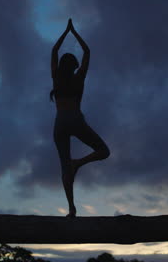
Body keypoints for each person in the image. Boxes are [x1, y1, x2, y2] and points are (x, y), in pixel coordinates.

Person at [50, 19, 110, 217]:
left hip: (59, 124)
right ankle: (78, 163)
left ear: (61, 65)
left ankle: (71, 208)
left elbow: (53, 51)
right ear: (74, 65)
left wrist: (65, 32)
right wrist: (74, 32)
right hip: (75, 120)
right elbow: (87, 52)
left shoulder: (56, 78)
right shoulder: (79, 78)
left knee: (63, 168)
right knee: (103, 151)